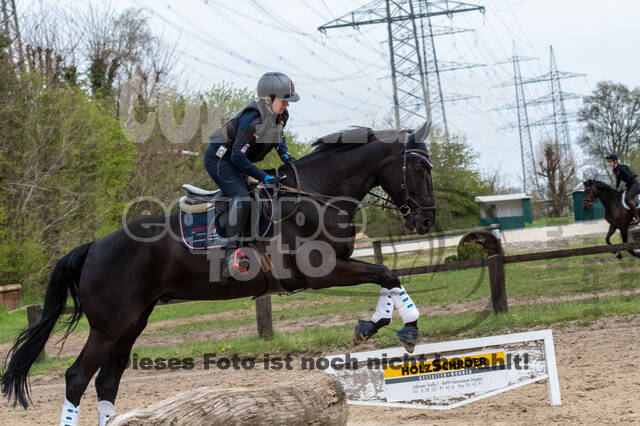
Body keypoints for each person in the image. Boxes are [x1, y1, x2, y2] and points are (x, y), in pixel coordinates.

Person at [204, 72, 300, 277]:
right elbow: (237, 158)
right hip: (220, 159)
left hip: (236, 158)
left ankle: (253, 244)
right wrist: (264, 177)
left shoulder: (281, 115)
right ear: (268, 98)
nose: (287, 105)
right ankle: (230, 256)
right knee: (244, 200)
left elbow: (279, 135)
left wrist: (286, 155)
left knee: (263, 196)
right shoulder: (253, 118)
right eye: (284, 100)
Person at [606, 153, 640, 224]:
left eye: (610, 162)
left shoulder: (621, 167)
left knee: (627, 199)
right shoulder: (614, 170)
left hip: (634, 183)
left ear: (615, 161)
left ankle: (637, 217)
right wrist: (616, 188)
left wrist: (625, 186)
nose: (609, 163)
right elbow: (618, 180)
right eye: (608, 162)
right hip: (630, 184)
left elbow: (629, 177)